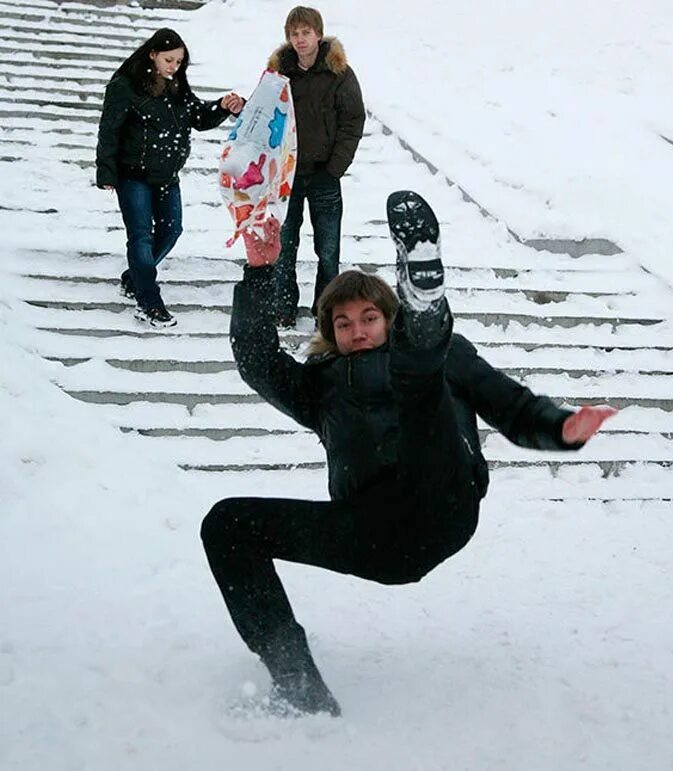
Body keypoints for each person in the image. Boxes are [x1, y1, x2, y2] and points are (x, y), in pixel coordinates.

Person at [201, 191, 617, 718]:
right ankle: (297, 685)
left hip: (441, 501)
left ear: (388, 316)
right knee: (228, 524)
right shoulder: (320, 387)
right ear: (331, 332)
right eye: (344, 323)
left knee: (422, 380)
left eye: (369, 317)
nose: (357, 331)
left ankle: (426, 306)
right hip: (372, 535)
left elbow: (510, 407)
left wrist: (562, 429)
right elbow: (257, 360)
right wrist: (260, 271)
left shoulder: (446, 357)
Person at [96, 28, 244, 328]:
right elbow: (109, 132)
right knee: (140, 236)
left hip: (166, 176)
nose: (174, 67)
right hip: (132, 175)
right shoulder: (125, 87)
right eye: (169, 60)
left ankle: (134, 277)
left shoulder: (177, 88)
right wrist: (107, 172)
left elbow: (199, 117)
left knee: (172, 230)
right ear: (152, 54)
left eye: (178, 61)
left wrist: (222, 106)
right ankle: (149, 300)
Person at [265, 5, 366, 327]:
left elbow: (353, 120)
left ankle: (325, 310)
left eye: (305, 32)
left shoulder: (340, 73)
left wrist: (335, 167)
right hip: (287, 175)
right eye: (294, 34)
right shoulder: (278, 73)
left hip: (325, 174)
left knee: (328, 249)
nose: (300, 39)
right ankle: (283, 307)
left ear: (318, 34)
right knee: (284, 245)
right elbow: (264, 114)